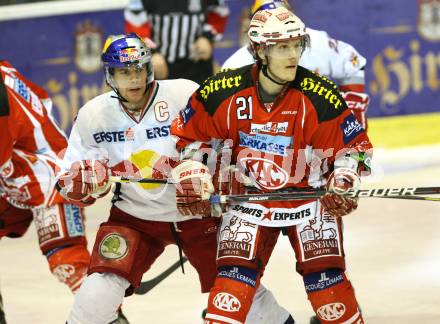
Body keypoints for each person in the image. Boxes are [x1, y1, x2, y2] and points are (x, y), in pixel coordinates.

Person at [57, 33, 296, 324]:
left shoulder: (184, 93)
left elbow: (227, 141)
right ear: (110, 75)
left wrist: (219, 173)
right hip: (134, 217)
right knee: (95, 295)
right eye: (123, 72)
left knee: (240, 292)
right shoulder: (92, 115)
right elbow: (68, 179)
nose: (133, 79)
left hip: (199, 215)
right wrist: (82, 184)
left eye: (138, 69)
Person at [171, 6, 373, 324]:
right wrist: (195, 172)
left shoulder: (321, 95)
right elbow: (191, 138)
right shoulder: (221, 90)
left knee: (331, 298)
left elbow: (357, 148)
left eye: (297, 45)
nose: (293, 55)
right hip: (250, 201)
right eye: (282, 47)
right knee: (226, 302)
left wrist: (345, 176)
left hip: (311, 200)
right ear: (259, 49)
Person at [0, 60, 129, 322]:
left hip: (49, 176)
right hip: (13, 174)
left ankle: (109, 318)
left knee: (66, 258)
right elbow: (42, 99)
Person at [223, 0, 370, 130]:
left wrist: (353, 114)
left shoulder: (316, 42)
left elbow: (352, 63)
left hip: (318, 136)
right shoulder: (235, 66)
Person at [124, 0, 229, 84]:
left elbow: (219, 11)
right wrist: (150, 53)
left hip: (196, 61)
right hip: (159, 64)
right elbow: (135, 25)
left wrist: (207, 37)